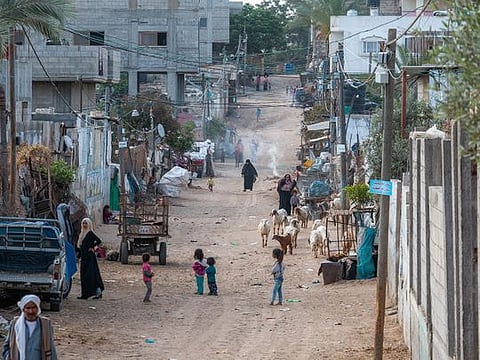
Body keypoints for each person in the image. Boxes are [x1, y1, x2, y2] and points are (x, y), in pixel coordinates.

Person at [2, 294, 58, 360]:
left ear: (38, 308)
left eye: (34, 307)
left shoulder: (45, 324)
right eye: (28, 308)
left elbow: (51, 347)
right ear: (23, 309)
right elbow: (7, 346)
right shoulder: (15, 324)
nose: (31, 311)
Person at [77, 218, 105, 300]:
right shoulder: (82, 234)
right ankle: (85, 294)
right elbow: (81, 247)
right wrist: (78, 257)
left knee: (92, 275)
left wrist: (93, 247)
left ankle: (97, 292)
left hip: (90, 258)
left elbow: (99, 241)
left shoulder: (90, 233)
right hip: (84, 258)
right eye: (83, 223)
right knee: (84, 276)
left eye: (86, 223)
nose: (84, 225)